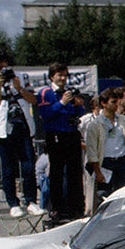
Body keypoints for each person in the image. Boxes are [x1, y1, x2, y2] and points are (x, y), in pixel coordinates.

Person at [0, 45, 42, 218]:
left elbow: (33, 100)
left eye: (4, 62)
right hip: (2, 129)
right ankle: (13, 203)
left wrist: (19, 87)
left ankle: (30, 201)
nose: (1, 66)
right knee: (7, 169)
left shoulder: (19, 77)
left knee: (28, 165)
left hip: (22, 126)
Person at [36, 63, 87, 223]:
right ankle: (57, 208)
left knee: (75, 171)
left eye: (65, 75)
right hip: (55, 134)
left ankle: (76, 207)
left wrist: (78, 105)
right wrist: (62, 102)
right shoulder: (46, 92)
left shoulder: (68, 92)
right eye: (59, 75)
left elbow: (78, 113)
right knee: (57, 172)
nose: (63, 78)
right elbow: (45, 114)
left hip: (71, 133)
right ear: (52, 77)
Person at [85, 88, 125, 205]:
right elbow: (91, 149)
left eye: (117, 101)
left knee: (124, 194)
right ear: (103, 103)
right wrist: (97, 170)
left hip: (122, 162)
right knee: (104, 196)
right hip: (105, 163)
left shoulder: (124, 120)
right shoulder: (95, 124)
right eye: (113, 102)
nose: (116, 105)